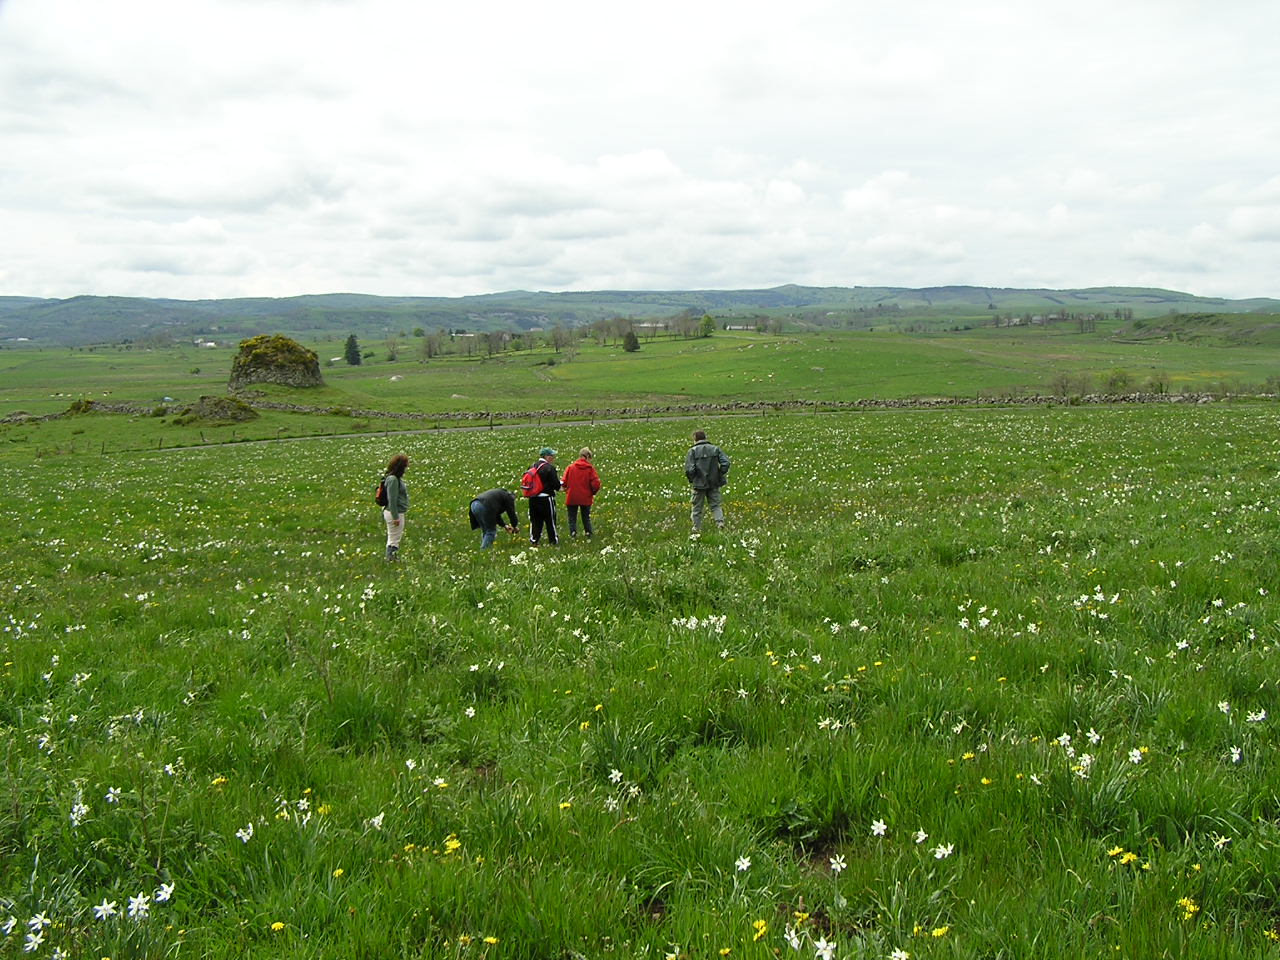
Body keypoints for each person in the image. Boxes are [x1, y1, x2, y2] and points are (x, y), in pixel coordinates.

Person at [685, 429, 730, 533]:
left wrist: (692, 479)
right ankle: (720, 523)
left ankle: (696, 527)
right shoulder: (715, 449)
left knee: (697, 507)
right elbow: (726, 463)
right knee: (715, 505)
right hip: (714, 482)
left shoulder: (692, 451)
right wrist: (719, 473)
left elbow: (690, 469)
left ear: (695, 439)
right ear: (705, 437)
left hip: (699, 483)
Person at [561, 447, 602, 538]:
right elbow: (596, 483)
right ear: (587, 456)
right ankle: (588, 534)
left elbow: (564, 482)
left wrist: (565, 489)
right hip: (585, 497)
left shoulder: (570, 467)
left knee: (572, 518)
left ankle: (573, 534)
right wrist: (593, 492)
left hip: (572, 497)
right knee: (586, 517)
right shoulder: (590, 469)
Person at [526, 446, 562, 545]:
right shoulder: (549, 468)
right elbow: (555, 484)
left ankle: (534, 540)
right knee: (550, 520)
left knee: (535, 520)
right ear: (546, 456)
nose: (553, 458)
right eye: (552, 456)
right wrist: (560, 487)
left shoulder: (532, 466)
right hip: (546, 498)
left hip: (533, 498)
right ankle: (553, 541)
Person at [381, 453, 410, 560]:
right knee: (394, 538)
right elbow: (392, 500)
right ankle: (391, 558)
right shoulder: (393, 480)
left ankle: (392, 557)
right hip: (394, 512)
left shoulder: (393, 478)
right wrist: (395, 516)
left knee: (393, 537)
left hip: (394, 512)